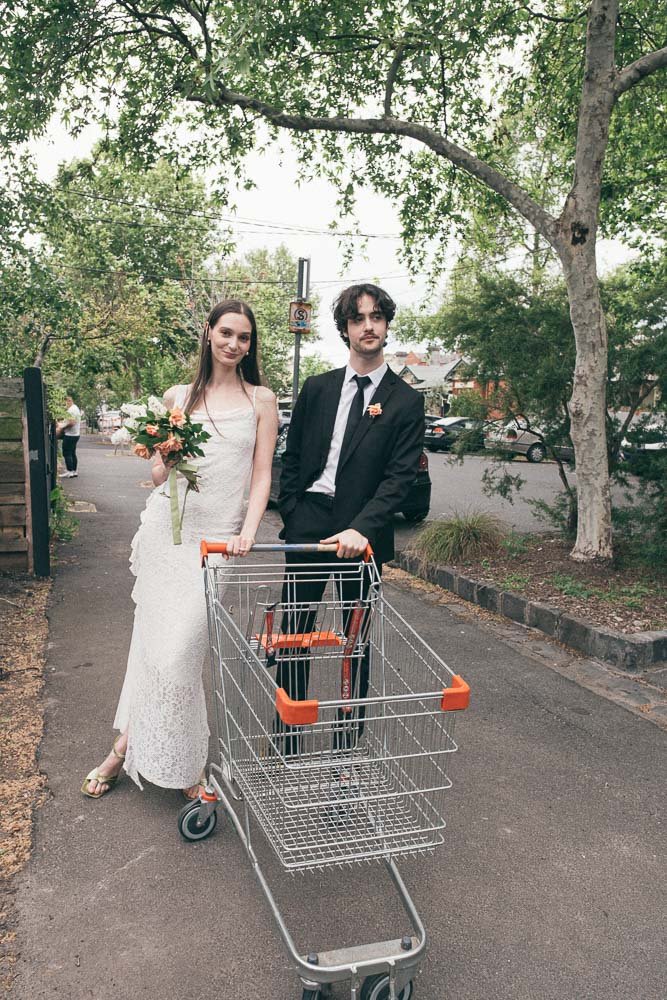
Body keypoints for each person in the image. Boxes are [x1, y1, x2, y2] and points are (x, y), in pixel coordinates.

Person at [82, 300, 278, 799]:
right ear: (209, 333)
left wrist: (249, 531)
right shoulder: (178, 397)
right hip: (166, 538)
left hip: (217, 545)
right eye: (227, 333)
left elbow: (260, 475)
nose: (235, 344)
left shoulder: (261, 400)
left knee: (180, 654)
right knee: (153, 650)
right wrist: (165, 455)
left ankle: (160, 758)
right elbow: (154, 476)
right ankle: (132, 748)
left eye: (245, 337)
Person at [276, 283, 424, 738]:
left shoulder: (405, 400)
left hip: (363, 536)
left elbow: (400, 478)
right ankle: (288, 738)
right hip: (310, 522)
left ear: (386, 324)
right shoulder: (318, 388)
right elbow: (293, 457)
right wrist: (293, 511)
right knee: (293, 638)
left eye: (376, 317)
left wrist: (361, 528)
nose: (368, 326)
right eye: (358, 319)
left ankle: (347, 748)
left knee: (355, 645)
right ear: (345, 328)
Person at [58, 395, 82, 478]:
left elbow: (72, 423)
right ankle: (74, 471)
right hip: (76, 434)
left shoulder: (71, 410)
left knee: (66, 453)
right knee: (72, 453)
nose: (64, 405)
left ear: (68, 401)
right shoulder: (76, 408)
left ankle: (69, 471)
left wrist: (62, 427)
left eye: (65, 403)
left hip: (70, 435)